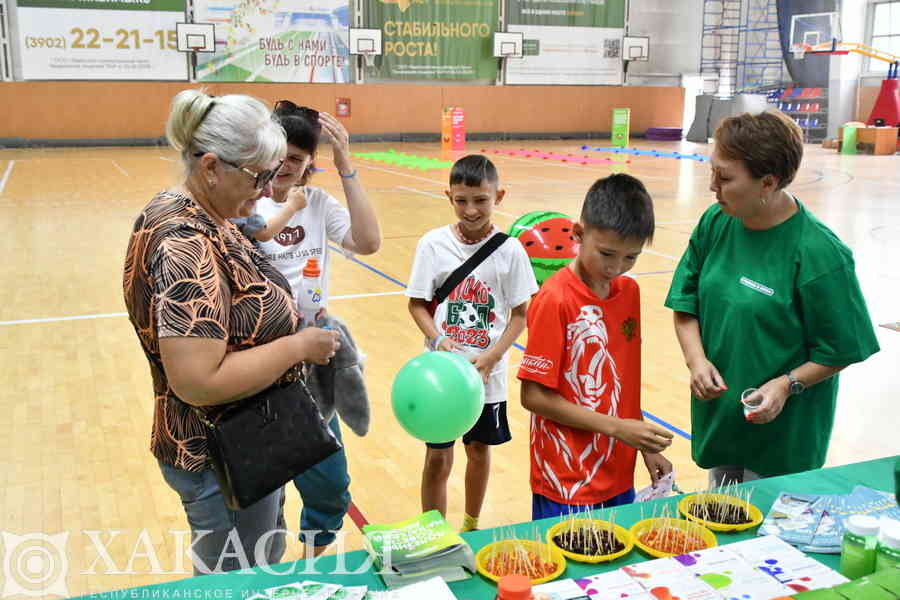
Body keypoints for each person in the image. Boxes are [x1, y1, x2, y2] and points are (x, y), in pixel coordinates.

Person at [123, 90, 340, 574]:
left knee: (254, 566)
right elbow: (199, 380)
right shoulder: (186, 245)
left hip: (246, 444)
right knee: (235, 580)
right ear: (211, 166)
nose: (266, 189)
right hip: (222, 455)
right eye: (258, 175)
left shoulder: (204, 213)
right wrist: (296, 346)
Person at [664, 110, 880, 487]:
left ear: (768, 182)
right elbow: (685, 302)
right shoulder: (715, 223)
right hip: (724, 423)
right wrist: (696, 360)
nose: (712, 186)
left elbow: (843, 347)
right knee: (724, 523)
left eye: (726, 177)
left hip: (784, 440)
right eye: (712, 170)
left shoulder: (818, 253)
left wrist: (787, 384)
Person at [242, 100, 381, 557]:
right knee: (264, 491)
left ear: (308, 165)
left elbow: (368, 242)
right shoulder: (247, 206)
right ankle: (271, 566)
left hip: (310, 365)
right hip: (259, 362)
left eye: (298, 159)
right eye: (281, 156)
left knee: (330, 487)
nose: (286, 167)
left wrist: (346, 167)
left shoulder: (319, 203)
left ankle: (309, 565)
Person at [518, 173, 674, 521]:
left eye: (631, 257)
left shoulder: (629, 293)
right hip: (566, 479)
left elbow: (625, 382)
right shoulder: (555, 300)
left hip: (619, 471)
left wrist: (643, 443)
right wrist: (620, 429)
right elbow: (533, 397)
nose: (616, 268)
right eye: (606, 254)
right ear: (578, 233)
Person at [406, 155, 538, 532]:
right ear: (449, 196)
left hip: (486, 376)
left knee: (478, 452)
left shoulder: (511, 250)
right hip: (441, 379)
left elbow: (519, 314)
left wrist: (496, 354)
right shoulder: (433, 245)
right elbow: (417, 304)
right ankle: (433, 531)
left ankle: (470, 525)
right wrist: (438, 339)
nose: (471, 209)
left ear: (499, 195)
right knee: (437, 459)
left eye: (481, 200)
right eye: (461, 200)